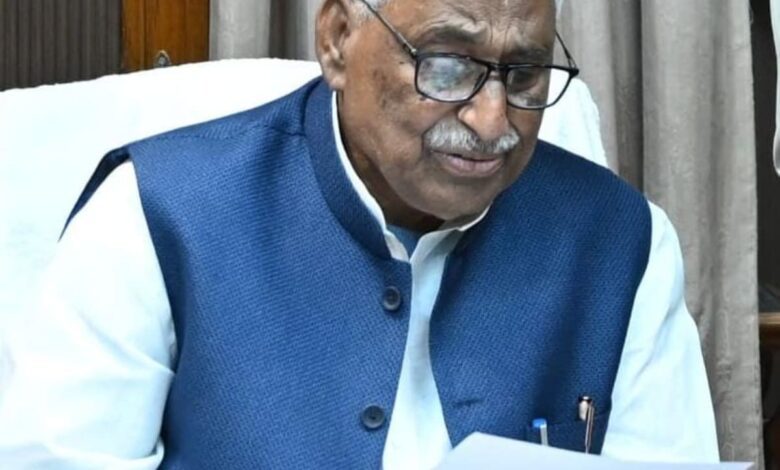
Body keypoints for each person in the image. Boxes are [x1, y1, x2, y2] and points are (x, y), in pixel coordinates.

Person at [0, 0, 720, 468]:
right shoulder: (151, 214)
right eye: (446, 66)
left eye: (525, 73)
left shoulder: (623, 242)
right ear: (338, 40)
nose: (492, 121)